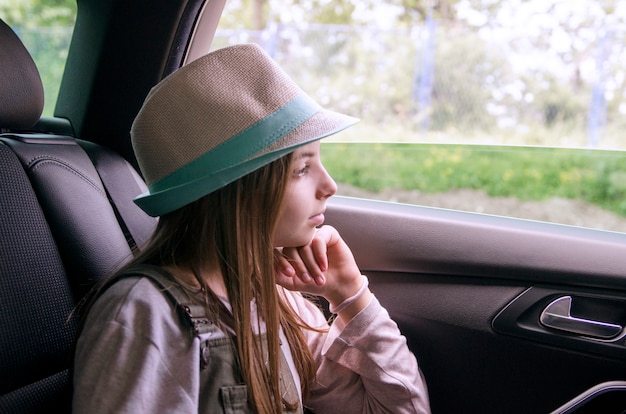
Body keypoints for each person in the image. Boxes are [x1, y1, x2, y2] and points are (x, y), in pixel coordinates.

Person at [72, 43, 430, 413]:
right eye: (302, 169)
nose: (330, 185)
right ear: (238, 191)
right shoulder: (145, 317)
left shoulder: (279, 301)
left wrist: (350, 293)